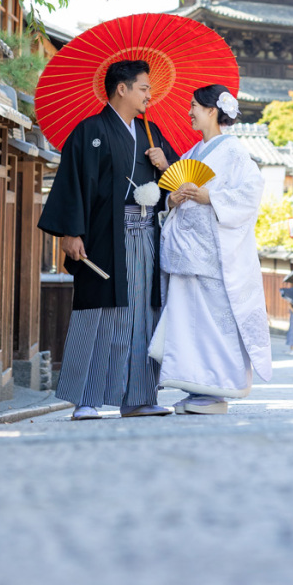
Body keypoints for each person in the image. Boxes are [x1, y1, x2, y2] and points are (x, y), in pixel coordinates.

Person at [38, 59, 179, 419]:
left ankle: (139, 398)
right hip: (103, 238)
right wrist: (71, 232)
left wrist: (166, 164)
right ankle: (85, 399)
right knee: (98, 313)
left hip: (146, 235)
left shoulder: (152, 134)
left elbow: (178, 184)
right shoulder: (90, 131)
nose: (150, 95)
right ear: (122, 88)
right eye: (144, 88)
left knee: (142, 316)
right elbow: (73, 182)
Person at [149, 84, 272, 414]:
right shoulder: (192, 154)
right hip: (186, 253)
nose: (189, 112)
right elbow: (175, 190)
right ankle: (196, 388)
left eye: (194, 107)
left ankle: (216, 391)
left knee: (213, 326)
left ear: (212, 111)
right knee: (187, 326)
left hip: (213, 255)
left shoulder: (233, 152)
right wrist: (171, 199)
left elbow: (250, 195)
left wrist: (211, 197)